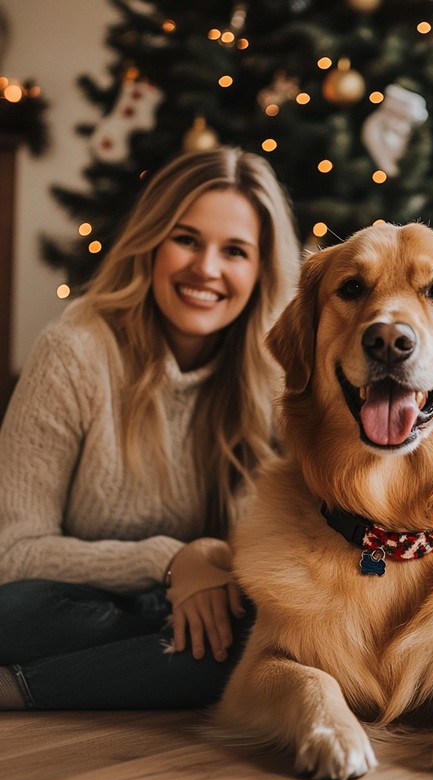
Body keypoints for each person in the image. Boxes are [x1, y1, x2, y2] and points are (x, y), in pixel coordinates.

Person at [0, 146, 301, 710]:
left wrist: (206, 561)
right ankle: (134, 671)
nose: (206, 269)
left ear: (261, 270)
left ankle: (20, 688)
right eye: (186, 239)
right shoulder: (75, 351)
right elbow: (11, 552)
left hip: (205, 607)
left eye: (234, 251)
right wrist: (167, 561)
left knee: (261, 633)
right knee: (11, 613)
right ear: (152, 243)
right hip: (72, 602)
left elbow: (279, 548)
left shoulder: (277, 377)